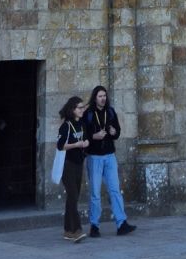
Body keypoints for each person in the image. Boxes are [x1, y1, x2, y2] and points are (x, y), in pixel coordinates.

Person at [83, 84, 136, 236]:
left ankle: (121, 223)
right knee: (95, 192)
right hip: (94, 157)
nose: (103, 98)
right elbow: (84, 135)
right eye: (100, 96)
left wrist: (114, 132)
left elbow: (117, 132)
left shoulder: (111, 112)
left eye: (104, 96)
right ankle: (94, 225)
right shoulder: (88, 114)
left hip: (109, 156)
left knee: (115, 189)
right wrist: (94, 136)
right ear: (95, 98)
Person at [56, 96, 89, 241]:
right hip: (67, 164)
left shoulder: (81, 124)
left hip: (78, 164)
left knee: (72, 197)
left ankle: (68, 230)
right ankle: (76, 229)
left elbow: (85, 139)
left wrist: (86, 142)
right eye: (79, 108)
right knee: (73, 195)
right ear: (72, 110)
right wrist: (76, 145)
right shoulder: (66, 126)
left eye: (83, 107)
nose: (82, 110)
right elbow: (60, 145)